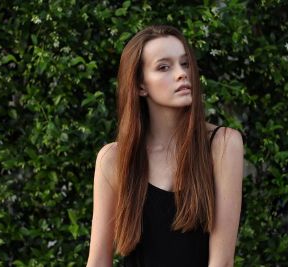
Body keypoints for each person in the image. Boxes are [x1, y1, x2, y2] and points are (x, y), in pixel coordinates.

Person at [86, 25, 244, 267]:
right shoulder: (113, 159)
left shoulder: (223, 145)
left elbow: (222, 262)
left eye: (185, 64)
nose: (182, 74)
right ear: (140, 85)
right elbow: (98, 262)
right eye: (164, 67)